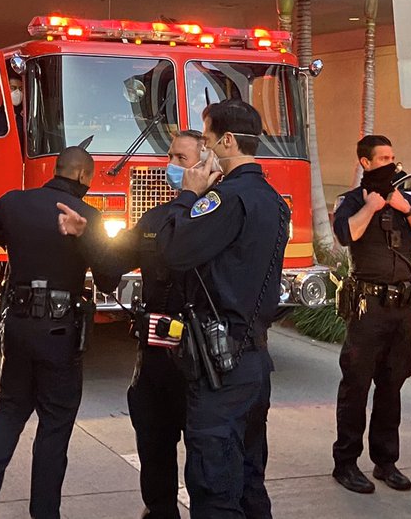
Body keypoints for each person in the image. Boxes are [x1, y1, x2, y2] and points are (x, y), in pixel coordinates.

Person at [0, 145, 122, 519]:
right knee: (54, 425)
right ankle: (44, 513)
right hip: (60, 332)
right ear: (81, 176)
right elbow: (110, 278)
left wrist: (9, 235)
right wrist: (84, 239)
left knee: (10, 411)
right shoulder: (88, 217)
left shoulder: (16, 202)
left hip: (17, 325)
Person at [156, 99, 290, 519]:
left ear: (228, 141)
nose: (204, 154)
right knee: (249, 479)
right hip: (253, 361)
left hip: (222, 367)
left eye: (209, 142)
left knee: (214, 484)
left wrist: (187, 196)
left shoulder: (225, 199)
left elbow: (173, 251)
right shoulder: (271, 198)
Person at [331, 135, 411, 494]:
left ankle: (385, 462)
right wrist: (371, 206)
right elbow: (347, 234)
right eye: (383, 158)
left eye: (393, 156)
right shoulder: (351, 202)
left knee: (392, 386)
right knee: (356, 387)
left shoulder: (403, 201)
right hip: (367, 308)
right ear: (365, 162)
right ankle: (345, 463)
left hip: (401, 309)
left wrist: (405, 209)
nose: (391, 162)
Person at [112, 130, 201, 519]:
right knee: (152, 436)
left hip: (200, 356)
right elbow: (112, 260)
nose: (172, 165)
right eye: (171, 156)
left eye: (182, 159)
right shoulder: (154, 218)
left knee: (203, 452)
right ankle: (160, 508)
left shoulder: (216, 217)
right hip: (154, 352)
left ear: (207, 165)